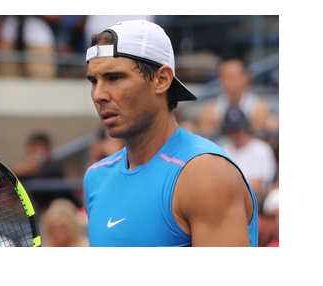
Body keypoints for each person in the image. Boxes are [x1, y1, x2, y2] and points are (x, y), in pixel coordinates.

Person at [83, 19, 258, 247]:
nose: (98, 94)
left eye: (114, 78)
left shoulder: (206, 173)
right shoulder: (95, 177)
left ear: (162, 79)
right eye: (93, 81)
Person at [198, 58, 270, 139]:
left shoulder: (258, 107)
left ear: (246, 77)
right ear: (220, 80)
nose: (232, 81)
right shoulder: (210, 111)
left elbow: (259, 139)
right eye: (227, 76)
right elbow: (204, 140)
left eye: (235, 76)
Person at [220, 105, 276, 201]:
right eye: (231, 131)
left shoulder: (262, 149)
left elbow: (258, 184)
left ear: (246, 128)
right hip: (230, 198)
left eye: (238, 130)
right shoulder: (223, 150)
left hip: (258, 198)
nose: (235, 134)